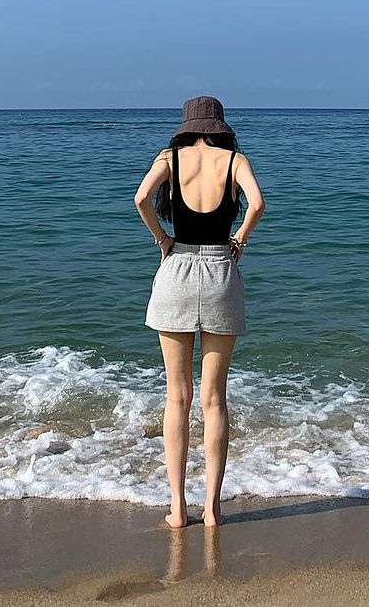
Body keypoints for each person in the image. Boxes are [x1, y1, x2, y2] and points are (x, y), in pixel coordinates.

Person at [133, 96, 266, 529]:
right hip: (220, 271)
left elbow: (141, 198)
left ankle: (177, 507)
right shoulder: (234, 161)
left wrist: (163, 239)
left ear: (187, 126)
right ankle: (212, 508)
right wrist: (240, 239)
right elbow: (258, 204)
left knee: (177, 397)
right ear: (221, 127)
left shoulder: (169, 159)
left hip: (177, 270)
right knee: (214, 399)